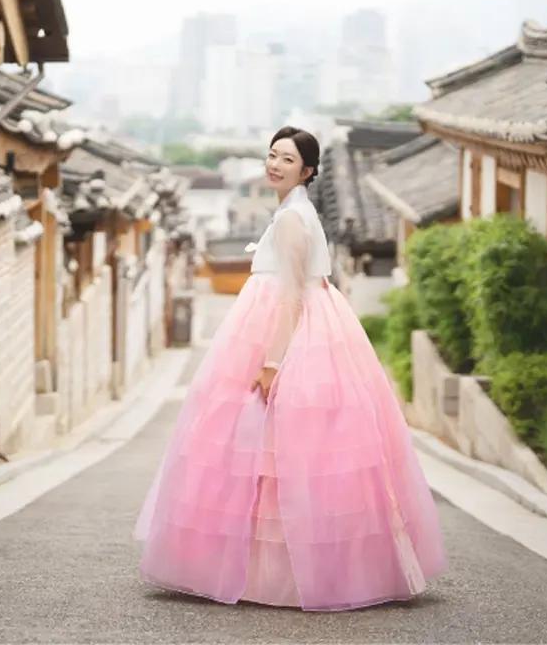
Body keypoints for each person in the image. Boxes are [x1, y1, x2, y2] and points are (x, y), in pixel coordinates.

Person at [134, 126, 445, 611]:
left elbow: (292, 296)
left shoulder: (293, 218)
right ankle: (273, 571)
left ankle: (278, 574)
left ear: (307, 171)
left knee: (271, 449)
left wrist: (273, 361)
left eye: (287, 159)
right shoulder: (293, 211)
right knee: (277, 452)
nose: (275, 164)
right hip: (298, 324)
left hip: (287, 332)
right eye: (272, 155)